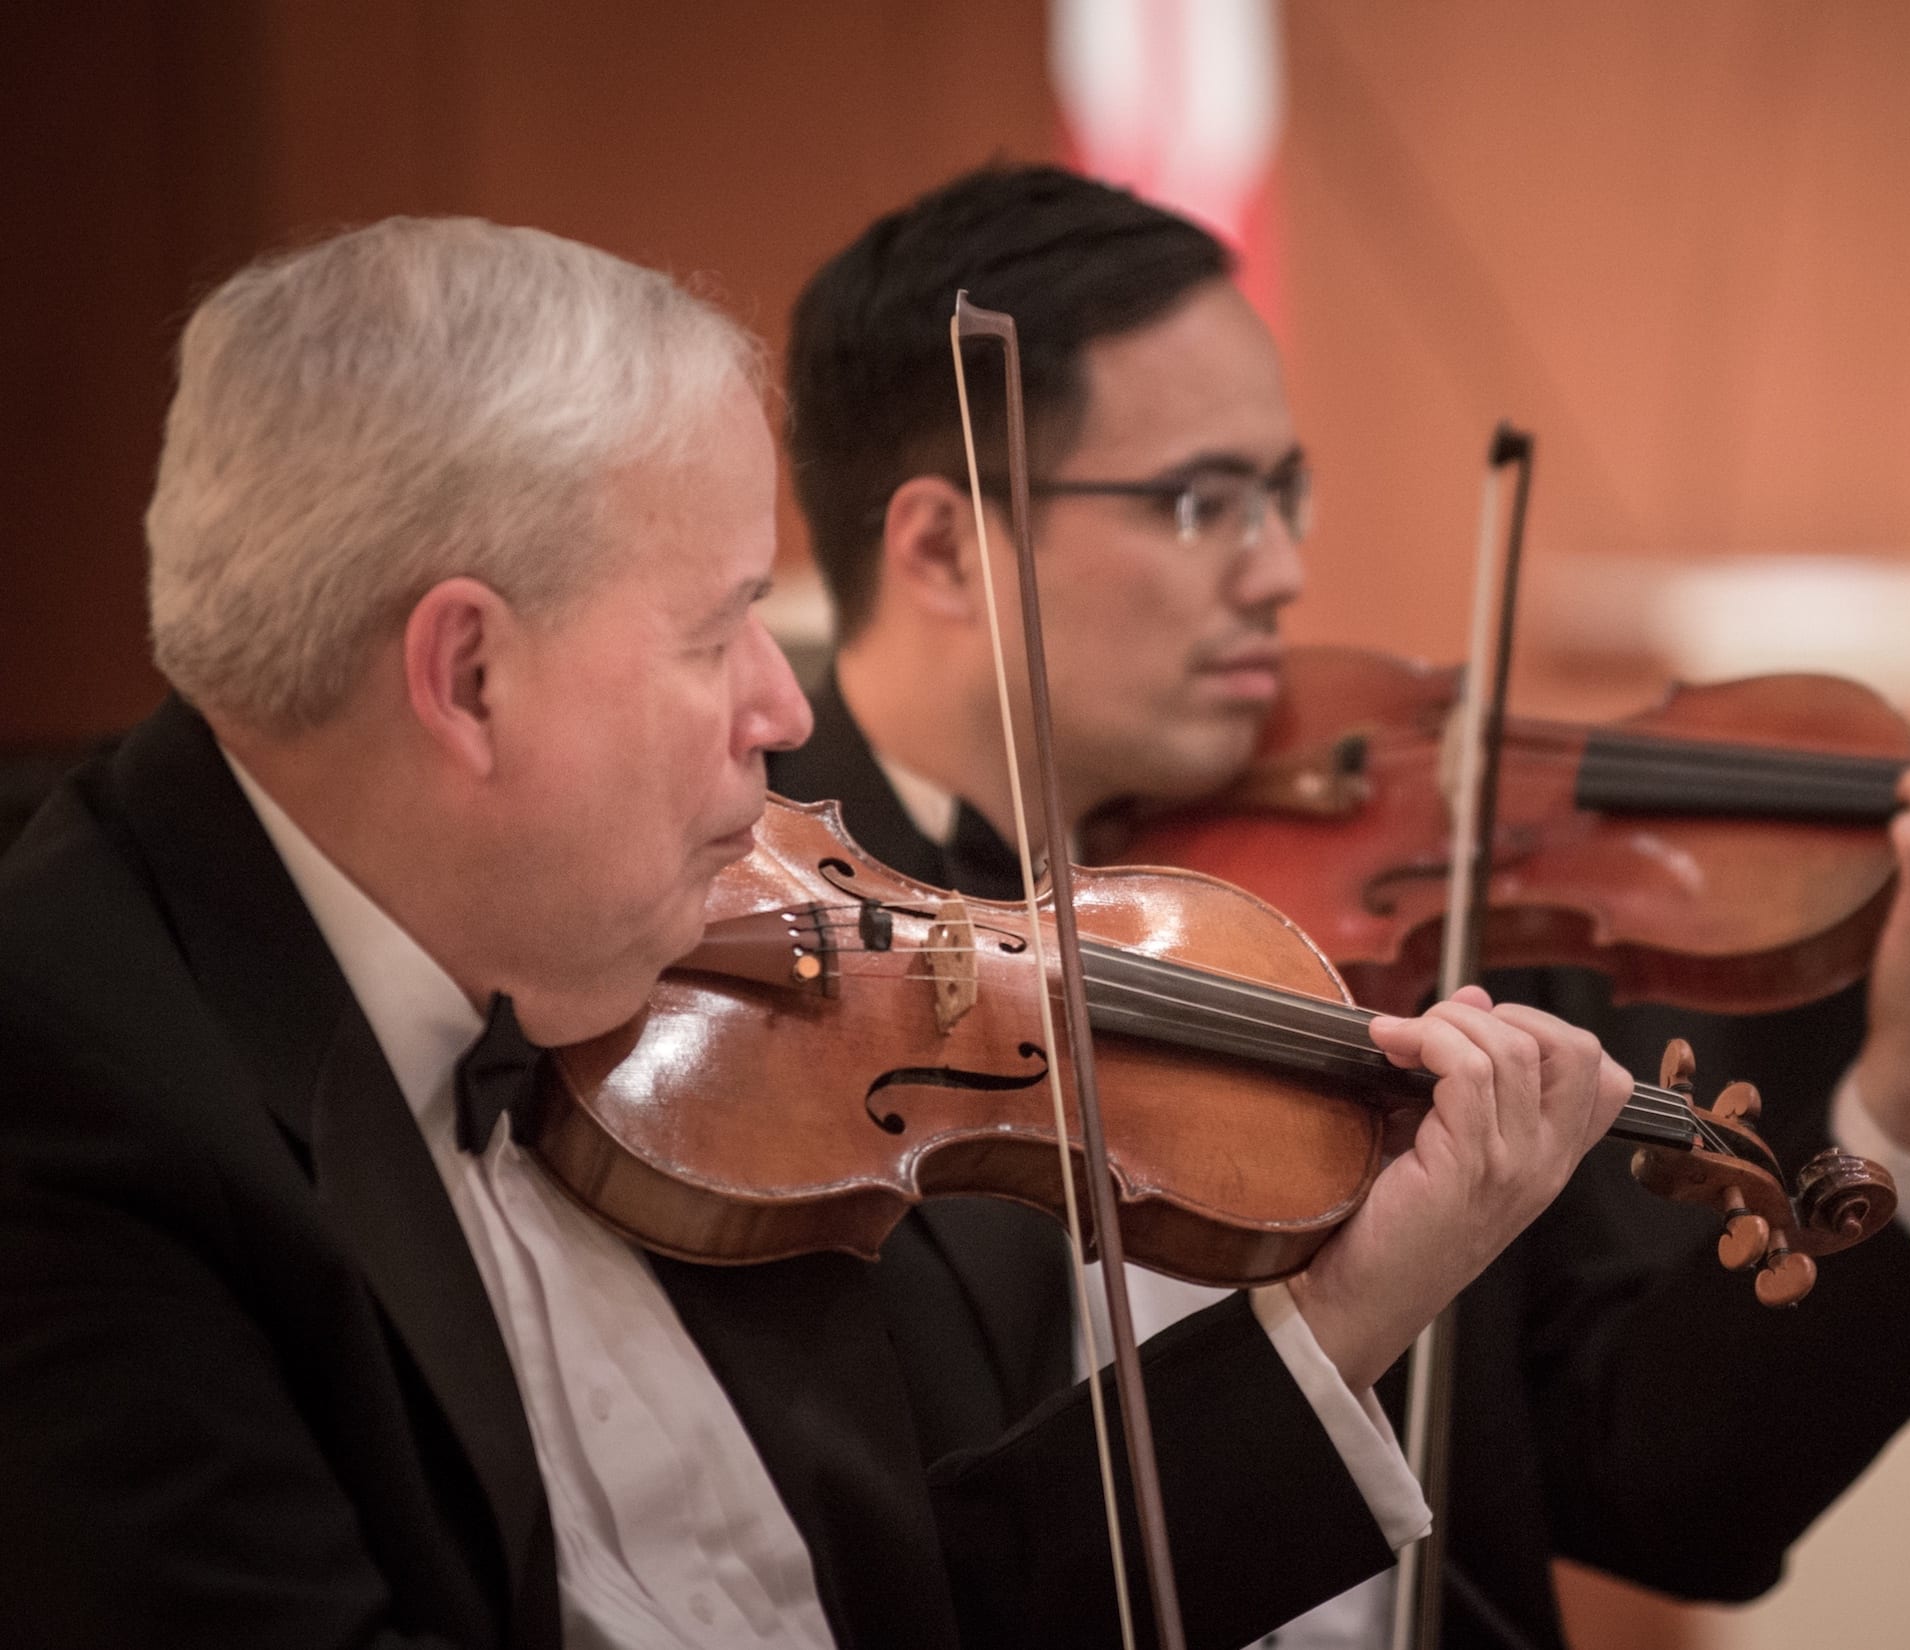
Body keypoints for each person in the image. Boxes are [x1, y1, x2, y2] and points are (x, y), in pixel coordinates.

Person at [0, 215, 1635, 1649]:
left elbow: (928, 1602)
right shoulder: (75, 1100)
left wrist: (1345, 1312)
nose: (787, 709)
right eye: (722, 631)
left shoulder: (637, 1000)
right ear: (469, 679)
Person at [776, 165, 1910, 1650]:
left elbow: (1671, 1494)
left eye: (1286, 494)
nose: (1282, 571)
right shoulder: (756, 969)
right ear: (946, 549)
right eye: (1204, 501)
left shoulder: (1390, 919)